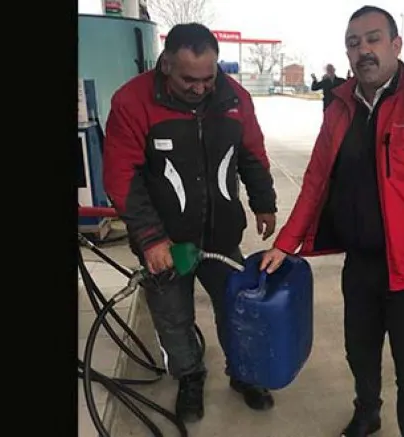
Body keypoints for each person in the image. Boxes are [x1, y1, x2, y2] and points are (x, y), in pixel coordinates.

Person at [259, 5, 404, 437]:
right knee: (359, 352)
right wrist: (285, 243)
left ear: (396, 45)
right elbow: (315, 182)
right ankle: (367, 414)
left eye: (373, 39)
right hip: (361, 263)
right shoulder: (340, 106)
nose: (363, 50)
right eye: (353, 43)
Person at [102, 22, 279, 423]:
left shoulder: (234, 97)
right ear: (166, 64)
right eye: (189, 80)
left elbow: (252, 153)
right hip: (166, 243)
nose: (200, 89)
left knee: (237, 309)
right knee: (173, 316)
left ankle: (244, 373)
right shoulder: (132, 102)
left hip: (220, 237)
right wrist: (150, 238)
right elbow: (121, 177)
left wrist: (264, 202)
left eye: (207, 78)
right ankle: (190, 377)